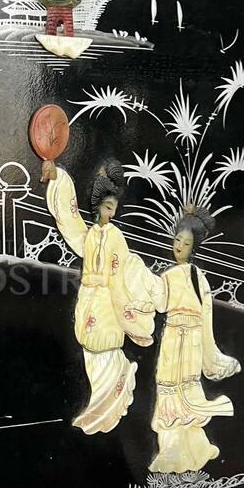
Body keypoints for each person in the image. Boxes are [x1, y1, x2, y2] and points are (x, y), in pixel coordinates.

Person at [42, 157, 155, 433]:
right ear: (97, 207)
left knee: (104, 352)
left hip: (107, 301)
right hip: (88, 301)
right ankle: (96, 404)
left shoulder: (116, 237)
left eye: (113, 207)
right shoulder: (90, 235)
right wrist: (57, 176)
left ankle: (106, 406)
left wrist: (129, 310)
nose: (110, 212)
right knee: (90, 354)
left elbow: (122, 271)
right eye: (106, 206)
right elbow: (69, 221)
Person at [148, 207, 240, 473]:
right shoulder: (176, 276)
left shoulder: (190, 277)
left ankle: (187, 450)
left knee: (181, 391)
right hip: (178, 338)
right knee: (175, 392)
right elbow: (166, 305)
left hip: (186, 341)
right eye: (177, 240)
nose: (179, 246)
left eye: (186, 243)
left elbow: (178, 307)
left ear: (193, 248)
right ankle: (180, 450)